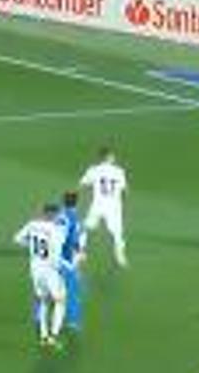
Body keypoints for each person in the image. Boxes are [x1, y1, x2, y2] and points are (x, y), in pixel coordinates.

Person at [13, 204, 67, 348]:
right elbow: (56, 253)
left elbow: (17, 239)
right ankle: (53, 336)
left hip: (35, 269)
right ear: (52, 215)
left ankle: (43, 336)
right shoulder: (55, 230)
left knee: (43, 301)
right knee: (60, 301)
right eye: (57, 214)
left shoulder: (32, 225)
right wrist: (60, 269)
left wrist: (31, 246)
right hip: (50, 270)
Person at [79, 147, 129, 268]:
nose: (114, 157)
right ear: (108, 157)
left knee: (85, 228)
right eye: (112, 156)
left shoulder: (93, 170)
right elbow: (125, 190)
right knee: (117, 233)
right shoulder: (119, 171)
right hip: (114, 206)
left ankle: (80, 252)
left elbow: (82, 184)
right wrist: (123, 199)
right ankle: (120, 257)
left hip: (98, 204)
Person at [56, 191, 84, 333]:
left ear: (63, 201)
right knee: (73, 291)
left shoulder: (57, 216)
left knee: (46, 289)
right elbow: (74, 241)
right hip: (66, 261)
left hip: (51, 259)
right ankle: (72, 321)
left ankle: (38, 315)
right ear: (76, 203)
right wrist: (79, 255)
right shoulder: (74, 219)